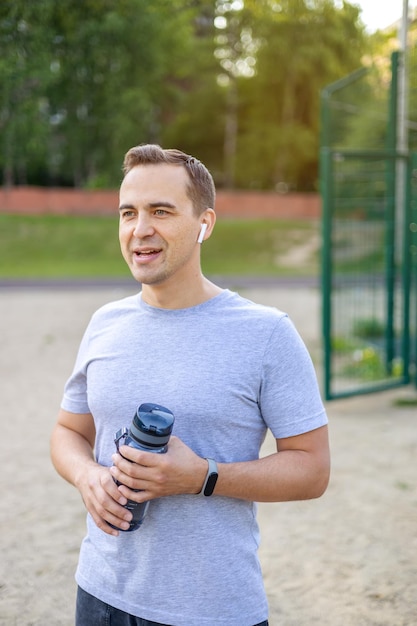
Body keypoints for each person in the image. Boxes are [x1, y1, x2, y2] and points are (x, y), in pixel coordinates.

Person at [50, 143, 330, 626]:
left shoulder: (266, 333)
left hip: (212, 609)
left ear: (205, 223)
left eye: (161, 211)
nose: (140, 230)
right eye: (128, 213)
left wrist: (203, 476)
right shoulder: (104, 323)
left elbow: (313, 470)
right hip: (99, 593)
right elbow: (67, 432)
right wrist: (86, 476)